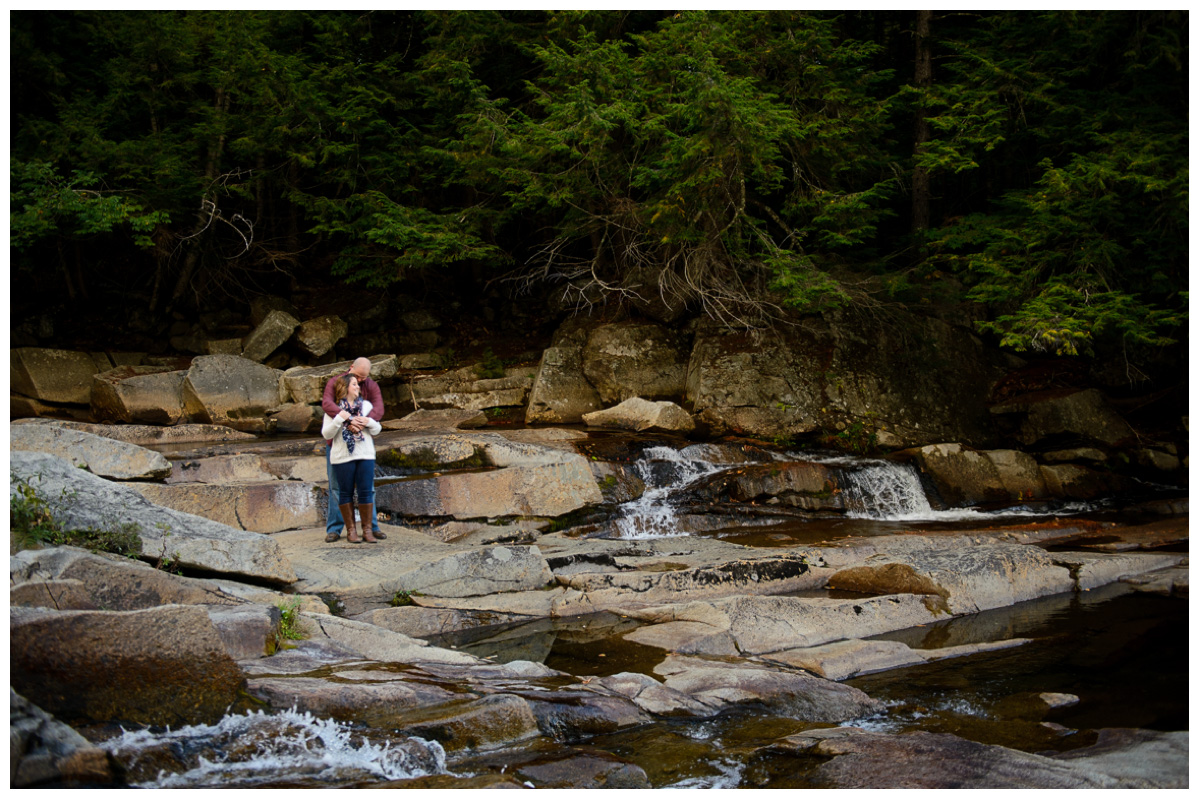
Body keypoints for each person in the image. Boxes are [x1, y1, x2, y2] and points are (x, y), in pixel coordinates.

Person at [320, 357, 386, 542]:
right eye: (357, 377)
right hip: (338, 446)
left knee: (367, 489)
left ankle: (371, 528)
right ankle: (335, 528)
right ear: (350, 369)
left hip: (362, 447)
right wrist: (347, 419)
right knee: (337, 487)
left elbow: (378, 410)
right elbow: (327, 405)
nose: (361, 382)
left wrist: (362, 423)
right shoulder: (335, 382)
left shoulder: (371, 387)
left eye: (363, 378)